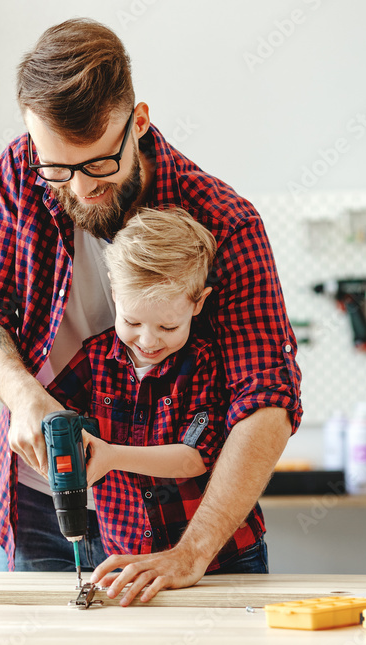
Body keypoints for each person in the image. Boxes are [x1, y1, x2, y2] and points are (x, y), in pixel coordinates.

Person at [0, 17, 302, 605]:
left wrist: (192, 551)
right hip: (35, 508)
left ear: (137, 122)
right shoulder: (19, 172)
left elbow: (266, 399)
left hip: (180, 525)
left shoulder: (225, 221)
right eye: (57, 167)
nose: (80, 190)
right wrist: (23, 396)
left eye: (98, 165)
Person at [46, 207, 266, 575]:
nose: (148, 340)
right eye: (132, 321)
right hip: (128, 554)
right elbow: (52, 410)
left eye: (167, 326)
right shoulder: (95, 358)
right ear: (115, 293)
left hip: (223, 559)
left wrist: (111, 455)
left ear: (198, 303)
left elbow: (195, 458)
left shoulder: (204, 364)